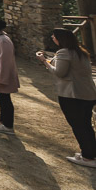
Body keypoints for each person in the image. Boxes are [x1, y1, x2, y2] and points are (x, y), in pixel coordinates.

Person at [37, 28, 96, 167]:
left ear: (60, 38)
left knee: (78, 126)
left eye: (54, 36)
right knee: (86, 125)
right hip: (88, 94)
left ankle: (88, 157)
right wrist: (50, 59)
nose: (52, 37)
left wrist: (43, 61)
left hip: (73, 95)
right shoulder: (80, 52)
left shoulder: (64, 52)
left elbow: (59, 73)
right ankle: (90, 153)